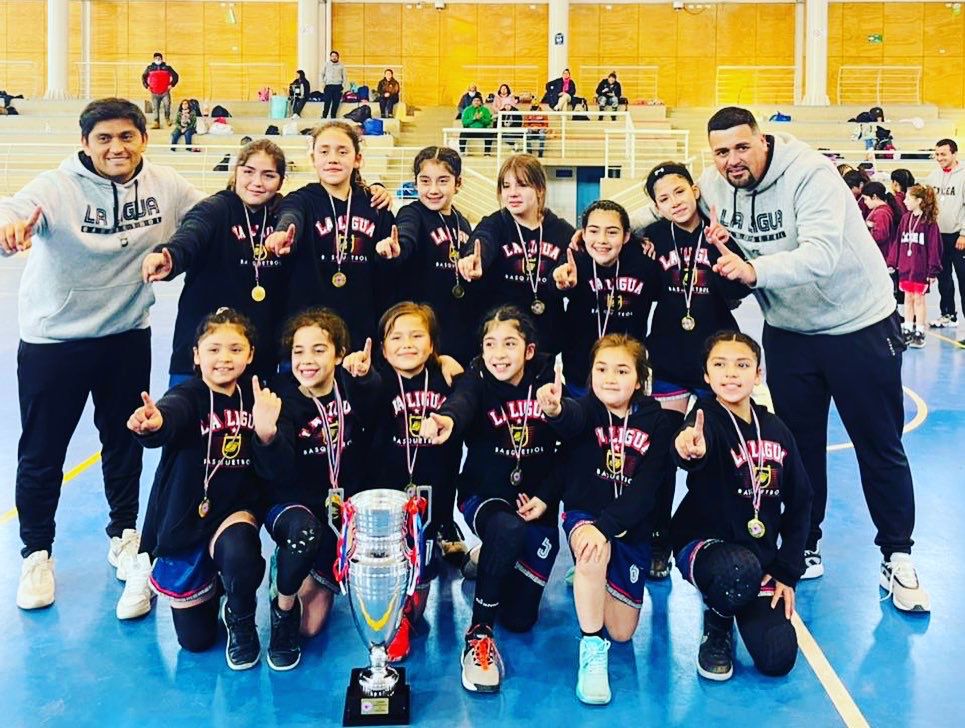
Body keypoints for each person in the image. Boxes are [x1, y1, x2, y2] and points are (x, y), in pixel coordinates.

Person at [698, 106, 929, 612]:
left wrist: (751, 270)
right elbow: (683, 220)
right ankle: (805, 543)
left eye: (742, 147)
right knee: (796, 450)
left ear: (762, 140)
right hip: (790, 332)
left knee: (879, 445)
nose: (732, 160)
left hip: (859, 325)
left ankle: (898, 555)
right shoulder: (713, 187)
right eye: (721, 151)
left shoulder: (810, 175)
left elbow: (821, 256)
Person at [0, 98, 204, 612]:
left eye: (127, 137)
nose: (117, 147)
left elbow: (210, 214)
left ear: (143, 139)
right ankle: (37, 552)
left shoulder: (165, 183)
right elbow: (13, 211)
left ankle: (125, 535)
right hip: (55, 341)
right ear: (86, 144)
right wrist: (8, 232)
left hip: (125, 335)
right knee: (44, 451)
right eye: (105, 139)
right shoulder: (57, 186)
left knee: (124, 440)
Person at [128, 309, 281, 668]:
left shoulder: (257, 396)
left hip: (234, 512)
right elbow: (171, 414)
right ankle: (216, 587)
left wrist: (266, 433)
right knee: (195, 642)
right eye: (213, 349)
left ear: (250, 354)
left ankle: (241, 618)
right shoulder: (189, 394)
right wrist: (152, 423)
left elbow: (275, 465)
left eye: (234, 349)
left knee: (241, 553)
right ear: (196, 355)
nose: (223, 358)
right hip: (187, 520)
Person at [419, 305, 558, 694]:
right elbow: (461, 404)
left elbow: (571, 447)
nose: (499, 353)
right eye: (490, 344)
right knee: (506, 530)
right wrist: (445, 419)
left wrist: (547, 497)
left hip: (538, 504)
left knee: (520, 619)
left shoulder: (550, 381)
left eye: (510, 344)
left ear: (528, 350)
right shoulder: (476, 378)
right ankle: (478, 635)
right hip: (486, 496)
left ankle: (488, 558)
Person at [532, 334, 674, 705]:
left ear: (641, 380)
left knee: (623, 632)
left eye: (622, 370)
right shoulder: (588, 409)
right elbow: (569, 419)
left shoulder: (658, 422)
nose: (610, 378)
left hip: (629, 525)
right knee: (593, 552)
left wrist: (609, 526)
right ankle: (591, 650)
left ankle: (592, 579)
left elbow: (647, 490)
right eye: (601, 369)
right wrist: (554, 409)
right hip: (586, 515)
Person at [672, 332, 811, 681]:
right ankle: (717, 623)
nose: (731, 374)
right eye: (719, 365)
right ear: (706, 375)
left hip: (758, 558)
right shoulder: (706, 416)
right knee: (736, 569)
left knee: (778, 657)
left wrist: (786, 570)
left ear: (758, 375)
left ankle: (741, 597)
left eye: (742, 365)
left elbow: (802, 499)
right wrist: (689, 449)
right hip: (705, 546)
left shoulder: (776, 428)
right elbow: (688, 446)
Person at [642, 162, 751, 577]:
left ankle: (706, 530)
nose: (674, 202)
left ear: (694, 189)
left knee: (711, 452)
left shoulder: (720, 232)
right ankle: (658, 539)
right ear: (655, 206)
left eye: (678, 192)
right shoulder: (651, 238)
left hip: (714, 364)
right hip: (668, 359)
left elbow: (740, 292)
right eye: (663, 199)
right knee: (663, 454)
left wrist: (728, 255)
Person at [263, 308, 381, 670]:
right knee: (303, 537)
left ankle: (301, 576)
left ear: (339, 354)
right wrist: (266, 436)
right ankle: (281, 607)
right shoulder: (281, 400)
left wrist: (365, 379)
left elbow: (377, 403)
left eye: (318, 349)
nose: (307, 360)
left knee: (311, 628)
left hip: (339, 517)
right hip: (294, 510)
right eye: (299, 351)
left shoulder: (351, 388)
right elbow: (276, 472)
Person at [141, 139, 289, 386]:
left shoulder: (282, 215)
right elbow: (192, 234)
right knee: (187, 419)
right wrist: (170, 255)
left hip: (257, 355)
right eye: (248, 172)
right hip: (202, 352)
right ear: (236, 172)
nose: (256, 182)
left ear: (280, 181)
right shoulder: (215, 208)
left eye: (268, 175)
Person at [365, 302, 464, 660]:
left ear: (434, 344)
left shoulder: (449, 377)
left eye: (417, 336)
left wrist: (456, 366)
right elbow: (356, 393)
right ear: (382, 346)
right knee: (395, 557)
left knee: (424, 553)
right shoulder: (373, 379)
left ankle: (431, 554)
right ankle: (397, 614)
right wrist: (355, 373)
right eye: (396, 337)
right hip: (387, 494)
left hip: (435, 491)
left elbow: (473, 394)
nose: (406, 344)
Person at [264, 121, 395, 348]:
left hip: (361, 332)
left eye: (342, 151)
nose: (332, 158)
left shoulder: (375, 204)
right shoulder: (302, 200)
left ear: (357, 159)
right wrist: (283, 233)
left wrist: (392, 254)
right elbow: (291, 215)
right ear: (313, 159)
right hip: (309, 334)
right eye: (324, 151)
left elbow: (388, 269)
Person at [458, 154, 576, 358]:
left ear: (540, 189)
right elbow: (483, 240)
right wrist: (474, 259)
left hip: (544, 341)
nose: (512, 193)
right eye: (506, 186)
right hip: (501, 341)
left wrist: (560, 280)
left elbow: (566, 266)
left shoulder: (561, 231)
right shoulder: (495, 224)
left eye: (522, 185)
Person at [553, 200, 656, 395]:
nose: (601, 239)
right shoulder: (575, 261)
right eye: (593, 231)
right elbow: (554, 284)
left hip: (627, 376)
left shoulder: (644, 263)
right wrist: (557, 280)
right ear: (582, 234)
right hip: (580, 375)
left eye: (612, 232)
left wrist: (641, 240)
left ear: (626, 236)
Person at [393, 146, 476, 365]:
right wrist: (397, 249)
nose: (433, 189)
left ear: (458, 184)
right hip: (424, 331)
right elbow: (406, 234)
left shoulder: (462, 222)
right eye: (425, 181)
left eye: (443, 181)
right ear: (416, 182)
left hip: (456, 328)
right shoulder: (412, 213)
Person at [887, 185, 942, 349]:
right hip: (905, 266)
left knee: (919, 299)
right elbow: (898, 241)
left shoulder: (929, 222)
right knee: (908, 298)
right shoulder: (905, 219)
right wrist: (892, 262)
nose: (904, 201)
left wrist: (933, 269)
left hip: (920, 268)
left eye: (908, 198)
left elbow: (934, 247)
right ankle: (908, 329)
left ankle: (919, 331)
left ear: (919, 201)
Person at [924, 138, 965, 330]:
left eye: (943, 154)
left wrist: (964, 234)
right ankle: (948, 314)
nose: (939, 158)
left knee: (963, 279)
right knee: (944, 278)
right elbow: (927, 205)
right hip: (938, 236)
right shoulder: (933, 176)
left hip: (959, 237)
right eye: (937, 154)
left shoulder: (963, 175)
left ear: (954, 154)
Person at [861, 180, 902, 260]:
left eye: (865, 199)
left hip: (881, 254)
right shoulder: (880, 210)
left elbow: (879, 236)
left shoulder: (881, 213)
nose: (865, 202)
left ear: (874, 197)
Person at [141, 52, 179, 129]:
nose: (158, 59)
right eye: (156, 58)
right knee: (155, 107)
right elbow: (143, 77)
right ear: (154, 59)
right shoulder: (149, 68)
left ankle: (167, 119)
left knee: (167, 105)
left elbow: (176, 76)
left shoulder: (167, 67)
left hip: (165, 92)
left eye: (159, 58)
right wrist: (146, 86)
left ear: (161, 59)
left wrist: (172, 84)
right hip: (154, 92)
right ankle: (156, 122)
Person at [321, 50, 347, 119]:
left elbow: (344, 76)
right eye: (332, 56)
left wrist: (343, 86)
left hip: (338, 86)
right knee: (327, 102)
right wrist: (323, 82)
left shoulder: (341, 66)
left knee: (336, 103)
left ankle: (333, 116)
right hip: (328, 86)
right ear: (330, 57)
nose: (334, 57)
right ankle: (324, 116)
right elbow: (322, 74)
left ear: (338, 57)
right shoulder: (326, 64)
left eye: (335, 56)